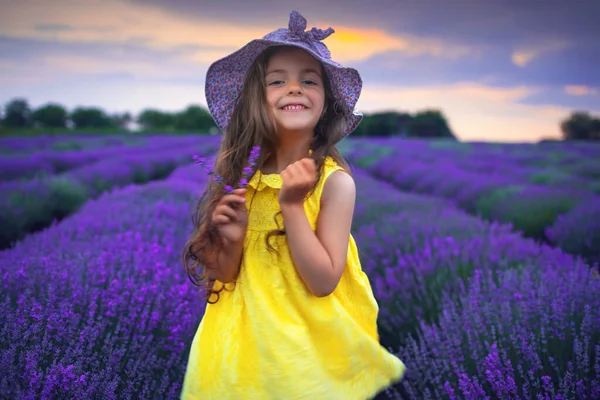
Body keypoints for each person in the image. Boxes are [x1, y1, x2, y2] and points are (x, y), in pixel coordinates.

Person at [180, 10, 406, 400]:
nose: (295, 88)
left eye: (308, 80)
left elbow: (323, 281)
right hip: (240, 344)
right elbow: (224, 279)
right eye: (277, 81)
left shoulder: (334, 183)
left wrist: (292, 206)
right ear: (257, 99)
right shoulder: (241, 177)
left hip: (304, 347)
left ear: (326, 102)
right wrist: (229, 239)